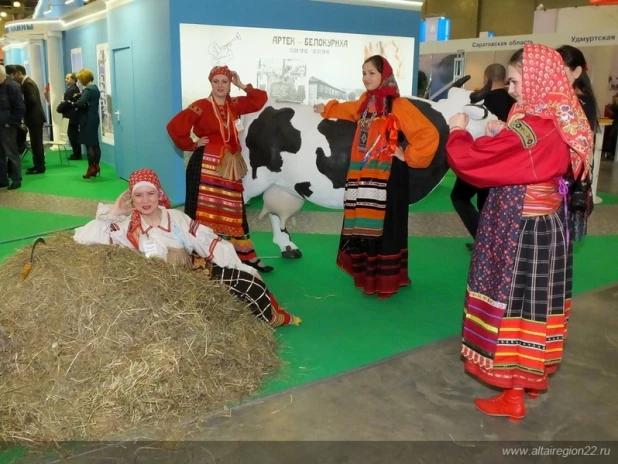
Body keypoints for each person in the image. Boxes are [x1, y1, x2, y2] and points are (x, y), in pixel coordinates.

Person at [446, 44, 593, 422]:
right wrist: (504, 131)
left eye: (515, 81)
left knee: (517, 307)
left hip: (523, 230)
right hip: (545, 225)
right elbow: (524, 152)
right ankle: (516, 390)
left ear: (537, 78)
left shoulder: (537, 126)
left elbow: (476, 163)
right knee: (533, 310)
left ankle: (514, 393)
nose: (511, 89)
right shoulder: (556, 115)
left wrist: (459, 134)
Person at [73, 168, 300, 328]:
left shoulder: (176, 218)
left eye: (150, 193)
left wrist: (237, 267)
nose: (145, 200)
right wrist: (113, 213)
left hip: (193, 275)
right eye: (138, 195)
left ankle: (268, 319)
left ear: (159, 194)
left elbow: (208, 242)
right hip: (155, 286)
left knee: (248, 285)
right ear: (130, 198)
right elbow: (83, 238)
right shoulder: (126, 227)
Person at [313, 55, 439, 298]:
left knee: (387, 228)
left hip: (389, 176)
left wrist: (408, 155)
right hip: (364, 176)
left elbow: (428, 133)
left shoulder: (398, 105)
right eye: (364, 73)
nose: (366, 78)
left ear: (384, 75)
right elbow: (349, 110)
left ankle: (387, 281)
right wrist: (327, 109)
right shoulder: (365, 103)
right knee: (366, 225)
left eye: (371, 73)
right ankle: (368, 278)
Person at [167, 66, 272, 273]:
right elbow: (174, 126)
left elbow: (259, 99)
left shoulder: (235, 104)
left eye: (225, 81)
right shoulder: (200, 106)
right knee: (201, 211)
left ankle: (245, 256)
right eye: (216, 81)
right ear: (211, 83)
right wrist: (192, 144)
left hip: (230, 164)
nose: (221, 85)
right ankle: (200, 257)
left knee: (234, 211)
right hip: (204, 164)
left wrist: (242, 85)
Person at [450, 63, 516, 251]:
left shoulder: (481, 102)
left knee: (459, 197)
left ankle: (484, 240)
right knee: (485, 202)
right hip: (504, 162)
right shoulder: (515, 103)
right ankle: (487, 239)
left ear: (485, 78)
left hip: (482, 159)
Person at [70, 69, 102, 179]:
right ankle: (97, 165)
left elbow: (80, 103)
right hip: (94, 118)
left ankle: (91, 168)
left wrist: (73, 103)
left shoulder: (87, 90)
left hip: (87, 119)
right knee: (95, 143)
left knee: (89, 144)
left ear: (84, 79)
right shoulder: (95, 88)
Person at [0, 65, 26, 190]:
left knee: (11, 153)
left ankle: (16, 179)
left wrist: (10, 123)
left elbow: (20, 107)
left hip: (8, 127)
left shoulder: (13, 87)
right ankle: (2, 180)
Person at [56, 73, 82, 160]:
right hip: (70, 115)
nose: (65, 80)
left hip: (72, 116)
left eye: (67, 78)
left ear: (73, 80)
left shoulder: (72, 90)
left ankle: (77, 154)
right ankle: (76, 153)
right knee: (72, 134)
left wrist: (59, 108)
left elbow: (67, 103)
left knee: (73, 135)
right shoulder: (72, 89)